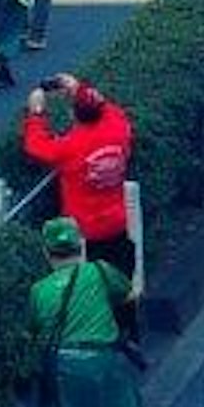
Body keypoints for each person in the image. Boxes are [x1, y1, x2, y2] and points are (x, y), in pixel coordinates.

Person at [27, 217, 152, 407]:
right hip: (103, 364)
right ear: (81, 245)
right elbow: (128, 295)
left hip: (63, 370)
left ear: (47, 252)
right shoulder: (99, 272)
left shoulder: (38, 291)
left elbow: (34, 330)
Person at [21, 76, 140, 281]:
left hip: (85, 232)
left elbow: (35, 145)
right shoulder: (119, 128)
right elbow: (111, 111)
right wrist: (78, 89)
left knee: (90, 286)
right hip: (117, 224)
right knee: (121, 284)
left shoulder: (70, 147)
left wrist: (36, 113)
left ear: (73, 114)